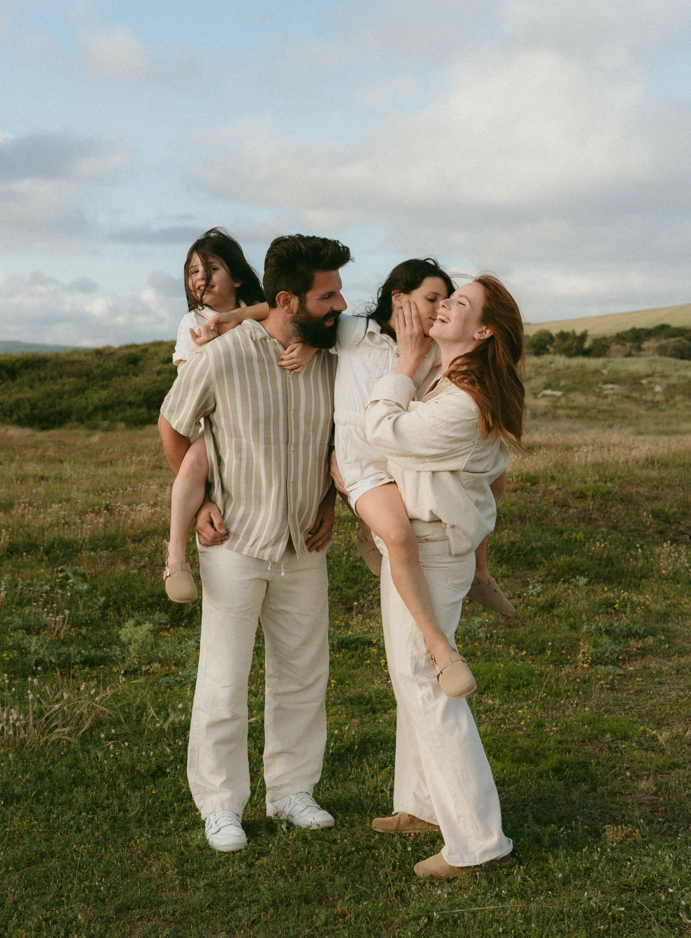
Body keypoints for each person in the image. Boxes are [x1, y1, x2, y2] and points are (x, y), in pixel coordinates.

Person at [199, 259, 514, 700]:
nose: (439, 309)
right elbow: (302, 319)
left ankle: (479, 570)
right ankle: (440, 647)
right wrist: (259, 325)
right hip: (363, 467)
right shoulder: (356, 332)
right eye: (431, 299)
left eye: (446, 301)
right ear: (399, 300)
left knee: (494, 475)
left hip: (399, 465)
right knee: (401, 538)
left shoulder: (429, 353)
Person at [156, 234, 348, 854]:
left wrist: (327, 504)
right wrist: (202, 500)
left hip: (304, 543)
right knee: (224, 678)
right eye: (328, 294)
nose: (340, 303)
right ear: (287, 299)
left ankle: (292, 791)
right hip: (236, 539)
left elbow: (331, 444)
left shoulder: (330, 355)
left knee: (303, 674)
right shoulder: (224, 354)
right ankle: (220, 805)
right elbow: (173, 422)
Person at [363, 274, 525, 879]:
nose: (446, 305)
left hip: (431, 546)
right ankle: (424, 806)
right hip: (427, 542)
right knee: (411, 678)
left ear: (482, 329)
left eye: (460, 303)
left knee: (427, 683)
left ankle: (479, 843)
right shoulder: (452, 379)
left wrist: (401, 366)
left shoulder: (461, 401)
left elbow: (384, 432)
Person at [161, 228, 309, 603]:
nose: (200, 278)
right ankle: (176, 555)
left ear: (238, 276)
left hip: (259, 413)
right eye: (193, 271)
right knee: (194, 463)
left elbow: (279, 315)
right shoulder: (193, 319)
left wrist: (305, 345)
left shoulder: (253, 306)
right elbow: (186, 380)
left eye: (211, 268)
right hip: (213, 416)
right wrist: (210, 349)